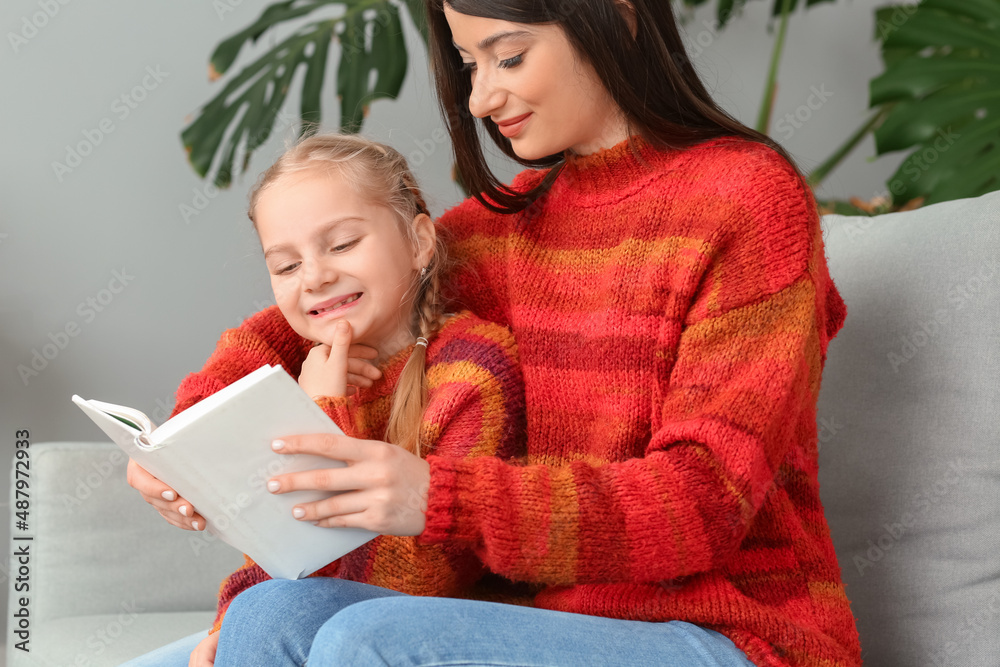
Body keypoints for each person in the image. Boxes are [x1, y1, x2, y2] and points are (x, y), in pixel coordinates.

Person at [138, 0, 866, 663]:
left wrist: (438, 496)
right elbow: (301, 322)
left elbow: (703, 503)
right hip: (531, 619)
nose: (482, 97)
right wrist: (185, 441)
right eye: (468, 65)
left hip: (726, 633)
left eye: (509, 57)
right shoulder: (497, 229)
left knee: (365, 640)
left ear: (615, 17)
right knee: (263, 617)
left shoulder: (749, 200)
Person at [122, 134, 526, 666]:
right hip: (293, 612)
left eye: (341, 244)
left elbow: (417, 580)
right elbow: (276, 554)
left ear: (420, 242)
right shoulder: (293, 370)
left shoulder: (474, 372)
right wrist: (233, 617)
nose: (315, 276)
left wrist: (324, 415)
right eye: (286, 267)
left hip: (412, 631)